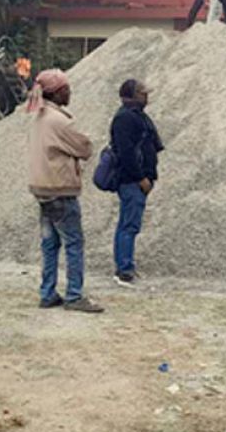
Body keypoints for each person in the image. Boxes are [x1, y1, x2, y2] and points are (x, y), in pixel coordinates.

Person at [25, 68, 103, 312]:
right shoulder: (59, 120)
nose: (70, 92)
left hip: (42, 189)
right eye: (66, 89)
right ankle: (74, 295)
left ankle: (47, 292)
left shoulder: (39, 116)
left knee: (50, 244)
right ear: (57, 92)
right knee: (73, 243)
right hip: (60, 189)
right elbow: (85, 148)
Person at [108, 79, 162, 287]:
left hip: (138, 179)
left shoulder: (137, 117)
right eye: (142, 93)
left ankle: (125, 266)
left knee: (128, 223)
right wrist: (141, 178)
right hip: (132, 180)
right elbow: (126, 153)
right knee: (129, 225)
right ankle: (124, 270)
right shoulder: (125, 119)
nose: (146, 96)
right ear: (131, 95)